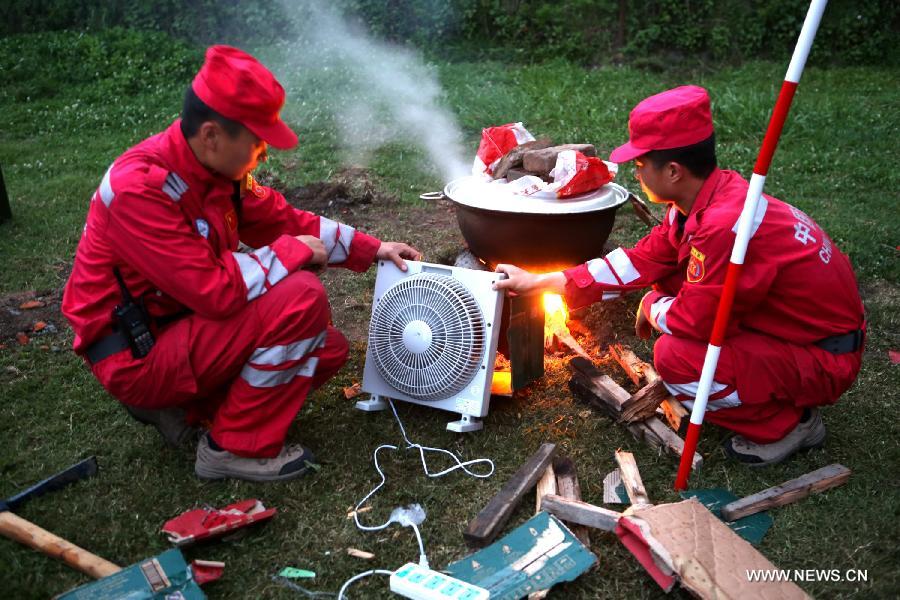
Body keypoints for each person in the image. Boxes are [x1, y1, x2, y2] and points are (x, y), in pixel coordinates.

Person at [62, 46, 419, 482]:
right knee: (300, 297)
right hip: (140, 353)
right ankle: (229, 448)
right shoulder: (140, 190)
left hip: (182, 327)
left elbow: (283, 221)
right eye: (257, 141)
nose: (264, 153)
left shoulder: (211, 172)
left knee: (327, 351)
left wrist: (373, 248)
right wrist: (296, 252)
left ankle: (190, 409)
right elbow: (215, 290)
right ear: (212, 135)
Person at [494, 85, 865, 466]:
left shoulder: (723, 226)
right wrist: (538, 281)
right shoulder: (703, 200)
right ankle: (764, 383)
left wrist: (653, 305)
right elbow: (641, 260)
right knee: (670, 278)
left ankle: (789, 424)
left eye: (640, 165)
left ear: (673, 171)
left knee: (676, 358)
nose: (636, 172)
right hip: (792, 330)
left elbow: (695, 321)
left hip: (823, 357)